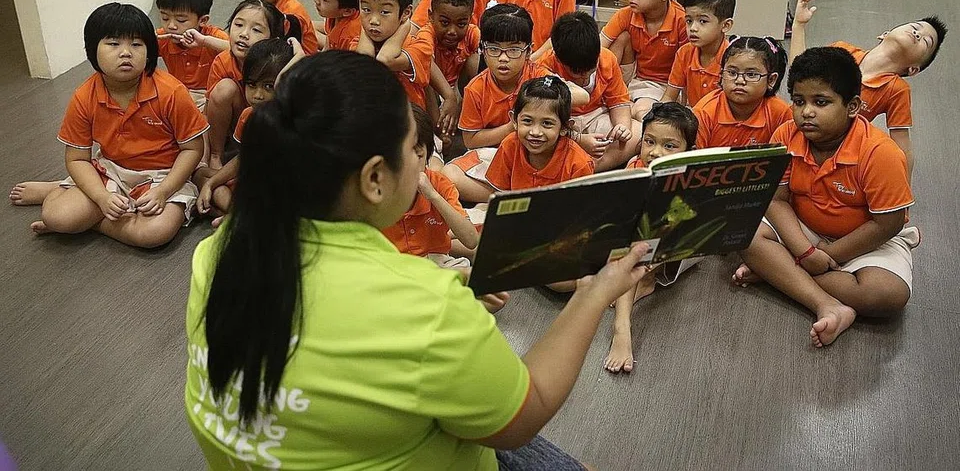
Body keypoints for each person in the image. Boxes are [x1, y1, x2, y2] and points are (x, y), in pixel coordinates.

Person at [184, 50, 651, 470]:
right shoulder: (425, 302)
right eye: (412, 149)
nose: (423, 162)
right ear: (374, 179)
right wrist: (594, 292)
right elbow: (524, 415)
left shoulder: (215, 253)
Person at [734, 47, 918, 348]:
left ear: (853, 106)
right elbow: (777, 200)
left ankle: (776, 273)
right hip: (803, 228)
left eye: (821, 102)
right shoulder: (785, 135)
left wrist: (829, 256)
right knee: (743, 233)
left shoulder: (881, 153)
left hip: (865, 239)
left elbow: (888, 224)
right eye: (798, 101)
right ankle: (827, 304)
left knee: (888, 294)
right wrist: (806, 253)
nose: (806, 112)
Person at [10, 3, 207, 247]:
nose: (126, 52)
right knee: (57, 217)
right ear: (92, 50)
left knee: (155, 234)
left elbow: (192, 149)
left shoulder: (171, 92)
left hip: (164, 175)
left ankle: (85, 219)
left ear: (150, 52)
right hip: (111, 170)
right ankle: (77, 207)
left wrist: (164, 191)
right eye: (113, 44)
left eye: (136, 44)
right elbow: (77, 159)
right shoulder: (84, 96)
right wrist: (102, 197)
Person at [788, 0, 947, 176]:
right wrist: (799, 24)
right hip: (800, 130)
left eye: (926, 42)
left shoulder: (896, 89)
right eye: (914, 28)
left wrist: (903, 188)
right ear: (885, 34)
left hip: (837, 152)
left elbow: (902, 145)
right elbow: (801, 74)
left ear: (913, 69)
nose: (917, 34)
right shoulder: (842, 50)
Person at [442, 5, 587, 203]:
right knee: (447, 176)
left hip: (539, 151)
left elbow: (582, 96)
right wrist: (514, 126)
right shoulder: (476, 88)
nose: (503, 58)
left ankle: (519, 197)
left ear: (529, 50)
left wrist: (534, 102)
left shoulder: (537, 75)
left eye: (513, 49)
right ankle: (517, 196)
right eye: (494, 49)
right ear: (483, 49)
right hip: (495, 152)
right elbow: (470, 141)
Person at [606, 102, 699, 373]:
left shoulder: (691, 176)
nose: (655, 152)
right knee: (631, 240)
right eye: (649, 141)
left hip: (678, 246)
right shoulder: (635, 166)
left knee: (640, 244)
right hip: (640, 246)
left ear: (689, 152)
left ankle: (622, 329)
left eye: (670, 146)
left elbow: (685, 225)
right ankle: (643, 284)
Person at [194, 38, 295, 226]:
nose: (257, 95)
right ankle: (238, 216)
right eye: (251, 84)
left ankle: (239, 217)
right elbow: (242, 158)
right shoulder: (248, 115)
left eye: (268, 86)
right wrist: (211, 183)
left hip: (285, 190)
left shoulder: (295, 120)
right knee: (202, 176)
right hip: (253, 183)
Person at [540, 11, 639, 171]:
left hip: (595, 118)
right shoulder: (544, 67)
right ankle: (578, 169)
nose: (585, 76)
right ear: (558, 58)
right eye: (577, 72)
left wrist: (622, 127)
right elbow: (542, 120)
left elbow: (618, 101)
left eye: (591, 69)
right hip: (562, 125)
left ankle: (582, 169)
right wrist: (579, 139)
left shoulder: (607, 58)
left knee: (639, 133)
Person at [382, 105, 479, 265]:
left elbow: (470, 240)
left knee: (468, 275)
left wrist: (433, 195)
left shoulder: (440, 184)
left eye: (418, 155)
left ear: (428, 154)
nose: (410, 164)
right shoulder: (375, 187)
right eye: (401, 156)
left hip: (435, 260)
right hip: (390, 265)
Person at [601, 0, 688, 119]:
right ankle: (608, 90)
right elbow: (598, 47)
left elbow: (686, 67)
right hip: (634, 77)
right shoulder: (626, 14)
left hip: (664, 85)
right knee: (620, 39)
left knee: (640, 112)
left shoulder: (682, 20)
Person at [205, 0, 287, 171]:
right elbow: (209, 108)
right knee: (224, 89)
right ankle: (217, 154)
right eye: (238, 25)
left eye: (256, 29)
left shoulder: (282, 63)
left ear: (273, 38)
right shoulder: (223, 61)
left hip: (272, 129)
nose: (243, 34)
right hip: (236, 125)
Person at [351, 0, 432, 109]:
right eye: (366, 9)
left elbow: (384, 60)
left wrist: (404, 27)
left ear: (406, 13)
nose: (374, 20)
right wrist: (365, 29)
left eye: (384, 12)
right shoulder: (357, 42)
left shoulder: (419, 46)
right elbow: (366, 66)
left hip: (410, 122)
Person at [693, 36, 791, 149]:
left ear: (771, 80)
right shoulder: (703, 112)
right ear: (721, 74)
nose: (740, 81)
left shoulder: (781, 113)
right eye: (732, 72)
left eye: (751, 75)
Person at [421, 0, 482, 157]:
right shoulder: (426, 33)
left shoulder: (473, 33)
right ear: (431, 16)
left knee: (477, 62)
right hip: (433, 92)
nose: (452, 31)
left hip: (458, 91)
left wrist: (456, 100)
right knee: (424, 76)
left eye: (461, 24)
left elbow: (488, 56)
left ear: (470, 19)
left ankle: (468, 121)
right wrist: (449, 96)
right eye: (445, 22)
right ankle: (438, 128)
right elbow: (425, 62)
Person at [155, 0, 229, 109]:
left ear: (203, 20)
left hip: (208, 94)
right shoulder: (163, 37)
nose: (171, 26)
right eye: (165, 18)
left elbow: (236, 50)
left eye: (181, 20)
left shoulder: (212, 36)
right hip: (177, 92)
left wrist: (205, 42)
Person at [663, 0, 736, 107]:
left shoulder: (733, 58)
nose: (693, 28)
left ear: (725, 25)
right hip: (694, 117)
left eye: (702, 21)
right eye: (689, 21)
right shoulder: (684, 53)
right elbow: (669, 96)